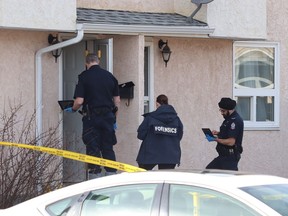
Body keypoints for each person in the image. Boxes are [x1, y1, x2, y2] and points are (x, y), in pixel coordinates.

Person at [65, 53, 120, 179]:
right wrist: (114, 118)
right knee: (108, 147)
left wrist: (73, 109)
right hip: (108, 118)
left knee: (92, 148)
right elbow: (117, 101)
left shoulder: (84, 77)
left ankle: (95, 180)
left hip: (92, 118)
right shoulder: (110, 77)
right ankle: (111, 179)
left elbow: (79, 101)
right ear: (98, 61)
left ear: (86, 63)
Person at [136, 94, 183, 170]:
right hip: (170, 155)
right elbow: (179, 136)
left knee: (144, 178)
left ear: (157, 104)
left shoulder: (150, 118)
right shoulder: (176, 119)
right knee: (166, 179)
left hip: (149, 155)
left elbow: (140, 135)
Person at [205, 97, 244, 171]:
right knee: (209, 171)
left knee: (227, 179)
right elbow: (228, 133)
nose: (221, 113)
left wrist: (215, 139)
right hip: (223, 156)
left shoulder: (234, 121)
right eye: (220, 110)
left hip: (229, 157)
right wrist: (218, 133)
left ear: (229, 110)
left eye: (223, 111)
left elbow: (231, 142)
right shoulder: (228, 119)